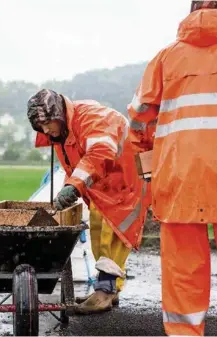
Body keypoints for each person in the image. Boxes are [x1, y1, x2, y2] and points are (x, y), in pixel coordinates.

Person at [127, 1, 217, 335]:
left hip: (180, 178)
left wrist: (152, 160)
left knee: (184, 269)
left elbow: (137, 120)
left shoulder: (166, 58)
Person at [27, 89, 150, 314]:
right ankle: (108, 291)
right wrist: (71, 184)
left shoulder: (92, 119)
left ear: (59, 115)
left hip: (125, 182)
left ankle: (105, 291)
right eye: (40, 127)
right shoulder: (64, 129)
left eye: (47, 124)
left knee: (113, 236)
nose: (45, 130)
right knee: (98, 234)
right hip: (103, 185)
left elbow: (99, 153)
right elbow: (75, 162)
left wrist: (73, 186)